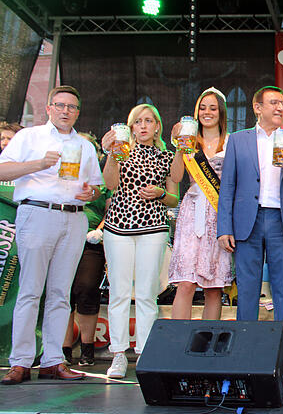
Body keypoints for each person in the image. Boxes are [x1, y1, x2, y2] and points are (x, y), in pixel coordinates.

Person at [0, 86, 103, 385]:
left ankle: (53, 360)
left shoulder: (84, 146)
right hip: (37, 211)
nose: (65, 111)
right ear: (48, 108)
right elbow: (2, 170)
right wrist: (39, 164)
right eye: (60, 105)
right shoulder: (29, 137)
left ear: (78, 112)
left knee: (61, 293)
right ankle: (19, 362)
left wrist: (90, 192)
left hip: (73, 217)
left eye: (71, 107)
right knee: (30, 290)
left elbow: (95, 187)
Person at [217, 86, 283, 340]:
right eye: (273, 103)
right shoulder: (238, 140)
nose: (280, 107)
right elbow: (227, 186)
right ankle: (244, 351)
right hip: (248, 221)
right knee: (247, 290)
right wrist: (224, 228)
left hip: (282, 221)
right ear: (257, 108)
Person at [101, 103, 178, 378]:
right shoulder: (121, 150)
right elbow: (109, 184)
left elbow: (174, 196)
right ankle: (118, 354)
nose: (143, 126)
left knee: (147, 293)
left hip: (153, 227)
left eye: (148, 121)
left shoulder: (166, 156)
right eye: (137, 121)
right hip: (118, 227)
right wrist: (111, 155)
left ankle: (145, 353)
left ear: (157, 126)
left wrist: (160, 193)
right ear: (131, 127)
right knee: (119, 293)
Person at [168, 88, 232, 320]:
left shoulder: (231, 143)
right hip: (193, 210)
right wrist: (178, 147)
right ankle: (177, 344)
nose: (207, 112)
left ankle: (207, 345)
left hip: (218, 212)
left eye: (213, 108)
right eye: (202, 108)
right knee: (185, 282)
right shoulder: (189, 140)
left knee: (214, 287)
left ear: (221, 112)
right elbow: (175, 177)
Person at [62, 133, 108, 367]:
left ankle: (87, 350)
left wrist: (99, 230)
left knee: (87, 289)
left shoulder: (101, 178)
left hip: (91, 240)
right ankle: (63, 349)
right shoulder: (61, 173)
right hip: (62, 235)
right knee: (62, 292)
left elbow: (111, 208)